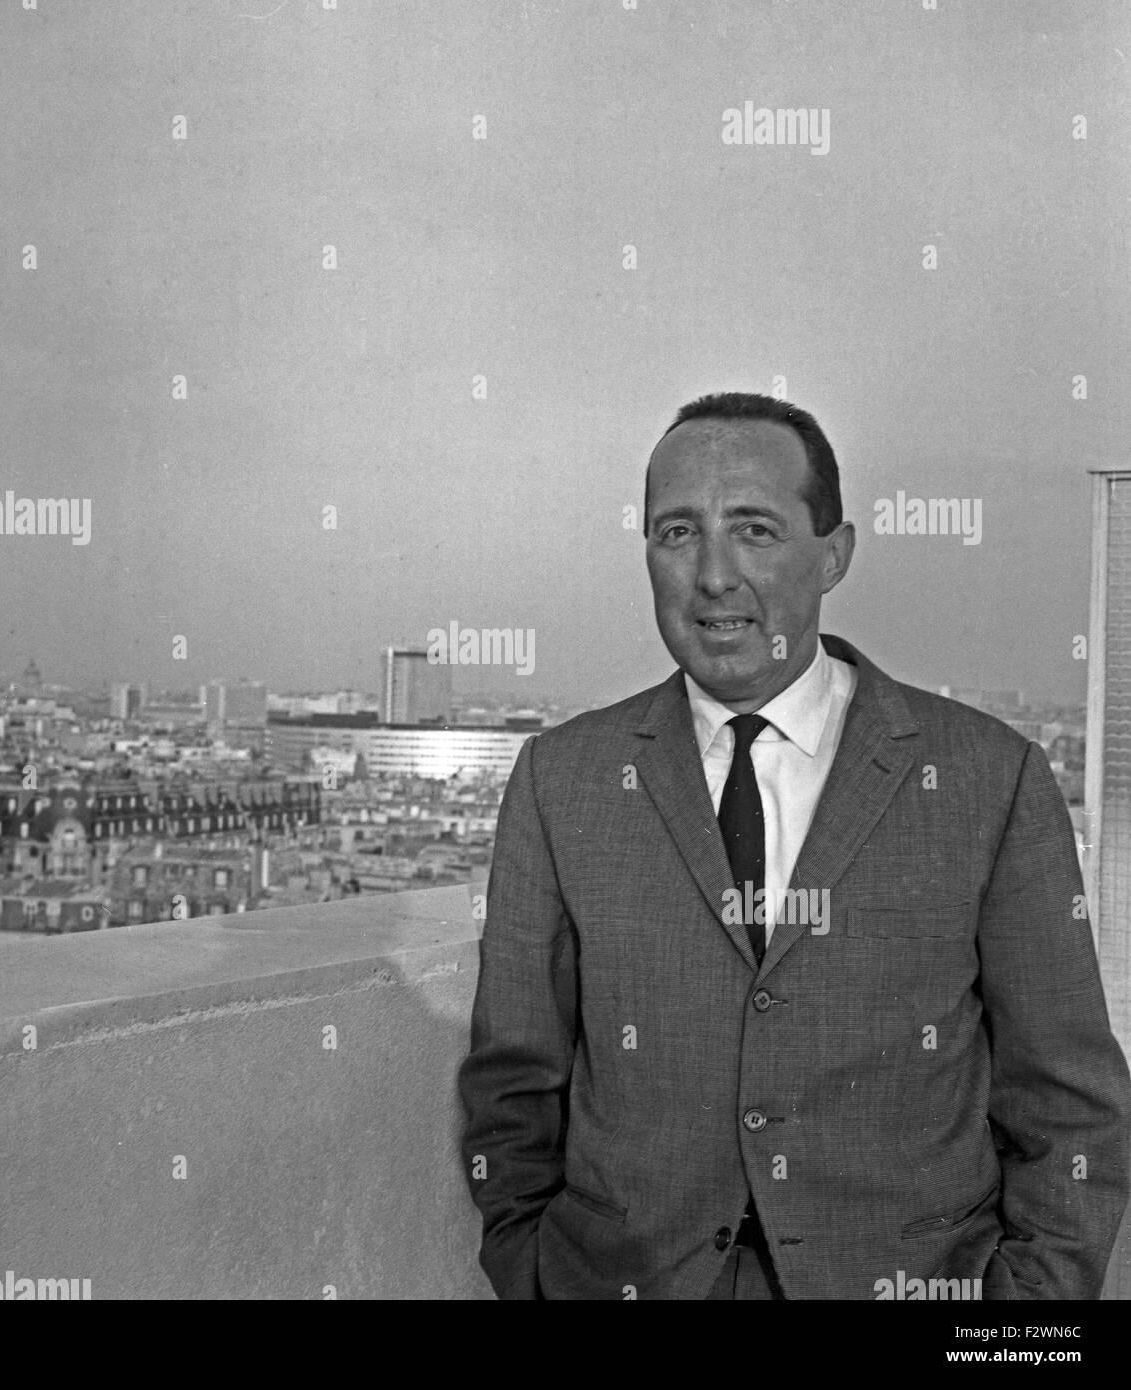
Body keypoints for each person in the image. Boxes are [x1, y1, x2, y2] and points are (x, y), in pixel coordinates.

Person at [457, 392, 1131, 1300]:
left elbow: (1070, 1103)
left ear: (835, 554)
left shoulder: (985, 780)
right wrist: (532, 1270)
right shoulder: (562, 780)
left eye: (756, 530)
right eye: (678, 532)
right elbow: (513, 1083)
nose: (715, 575)